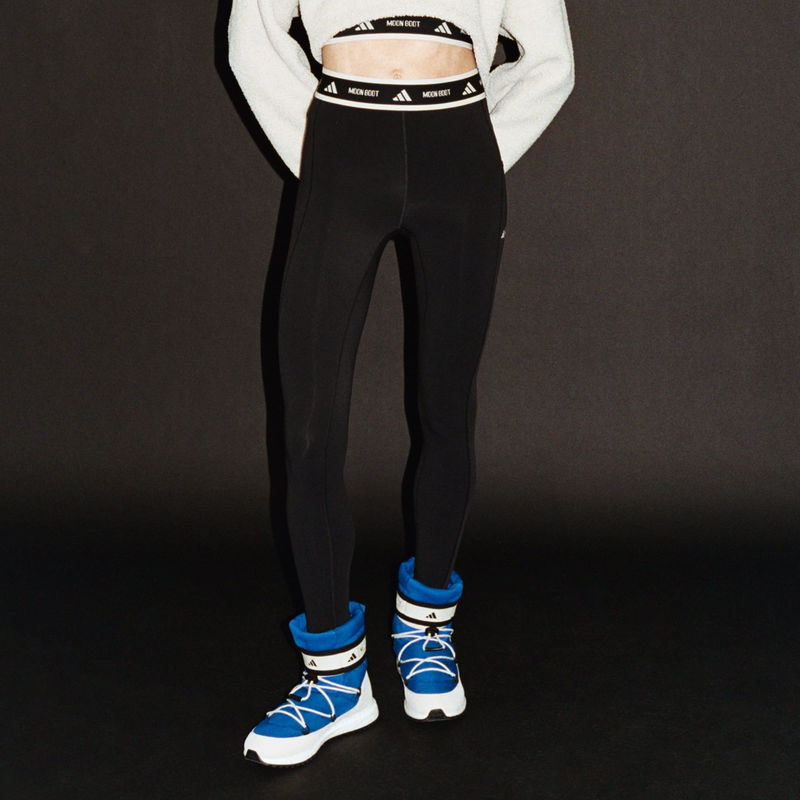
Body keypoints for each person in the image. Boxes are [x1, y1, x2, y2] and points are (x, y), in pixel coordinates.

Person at [227, 0, 575, 767]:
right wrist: (321, 146)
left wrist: (478, 145)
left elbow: (552, 58)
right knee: (309, 426)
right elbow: (251, 37)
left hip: (460, 148)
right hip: (343, 142)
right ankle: (334, 676)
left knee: (447, 407)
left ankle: (426, 625)